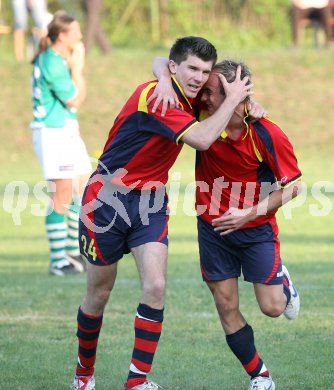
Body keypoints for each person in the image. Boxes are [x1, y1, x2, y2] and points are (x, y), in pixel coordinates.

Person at [71, 36, 254, 390]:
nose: (200, 78)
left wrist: (247, 104)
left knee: (155, 286)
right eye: (192, 69)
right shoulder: (156, 96)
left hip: (149, 203)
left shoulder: (191, 98)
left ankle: (137, 381)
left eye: (205, 71)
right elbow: (202, 138)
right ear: (175, 67)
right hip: (106, 200)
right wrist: (232, 98)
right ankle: (83, 375)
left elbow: (214, 107)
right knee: (98, 294)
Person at [152, 59, 301, 390]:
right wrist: (164, 77)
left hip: (256, 231)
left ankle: (283, 282)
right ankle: (259, 375)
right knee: (225, 304)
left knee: (274, 308)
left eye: (211, 91)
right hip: (213, 229)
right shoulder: (201, 117)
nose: (202, 96)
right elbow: (164, 60)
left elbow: (293, 187)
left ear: (236, 93)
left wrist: (248, 214)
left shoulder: (266, 132)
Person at [30, 12, 92, 276]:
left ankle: (72, 251)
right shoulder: (52, 62)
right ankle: (59, 260)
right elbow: (75, 100)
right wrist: (77, 68)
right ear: (63, 35)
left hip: (66, 130)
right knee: (62, 193)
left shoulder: (56, 59)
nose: (79, 37)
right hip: (53, 132)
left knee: (82, 186)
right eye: (76, 32)